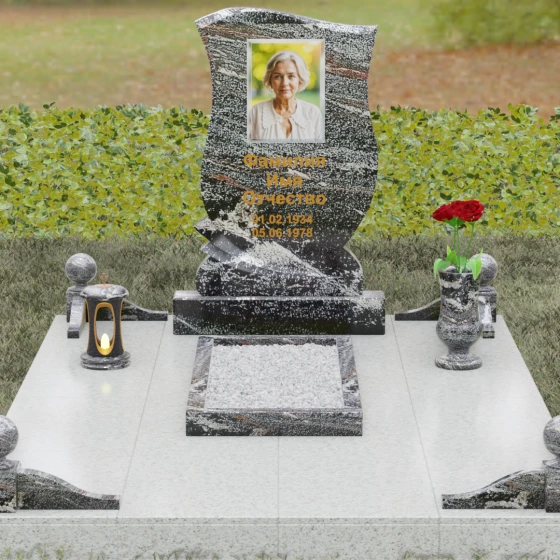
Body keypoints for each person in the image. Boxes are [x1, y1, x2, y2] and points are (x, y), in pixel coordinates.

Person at [248, 50, 322, 141]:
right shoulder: (257, 112)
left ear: (300, 80)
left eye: (291, 76)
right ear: (270, 80)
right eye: (278, 76)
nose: (284, 83)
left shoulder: (313, 113)